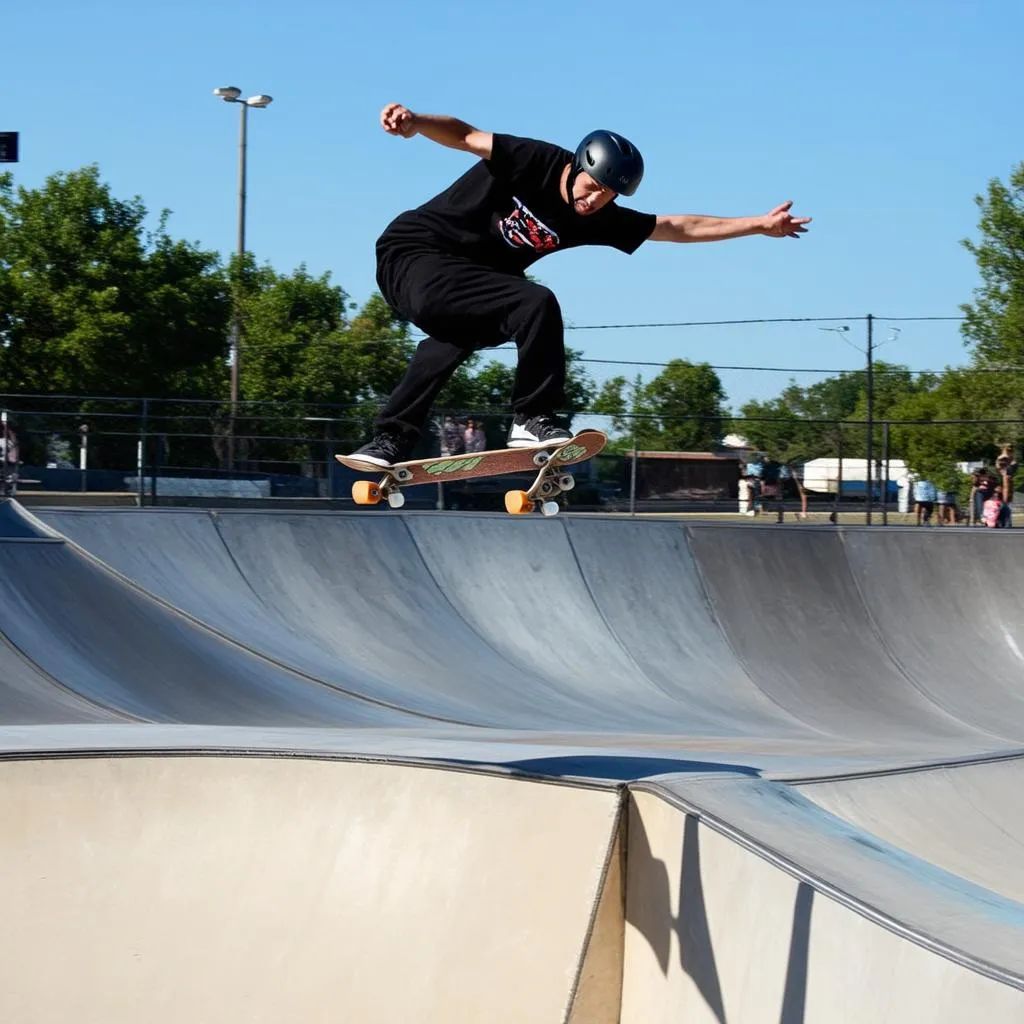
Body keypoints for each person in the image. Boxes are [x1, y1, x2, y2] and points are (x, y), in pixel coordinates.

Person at [349, 103, 812, 467]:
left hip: (469, 284)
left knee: (455, 338)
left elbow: (675, 227)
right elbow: (466, 134)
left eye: (607, 196)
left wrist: (757, 225)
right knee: (535, 301)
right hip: (414, 253)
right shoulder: (535, 160)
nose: (594, 201)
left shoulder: (597, 217)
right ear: (578, 165)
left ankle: (390, 438)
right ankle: (534, 416)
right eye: (592, 188)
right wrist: (414, 122)